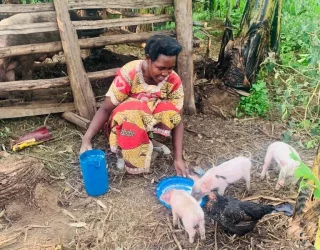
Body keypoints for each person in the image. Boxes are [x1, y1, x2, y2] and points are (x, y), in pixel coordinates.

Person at [79, 34, 187, 177]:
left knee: (169, 110)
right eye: (161, 68)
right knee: (135, 109)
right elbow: (106, 108)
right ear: (148, 59)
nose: (165, 73)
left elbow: (177, 119)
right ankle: (123, 150)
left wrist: (178, 158)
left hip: (146, 119)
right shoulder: (130, 73)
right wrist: (86, 139)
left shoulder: (173, 80)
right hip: (124, 123)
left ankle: (148, 141)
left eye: (170, 68)